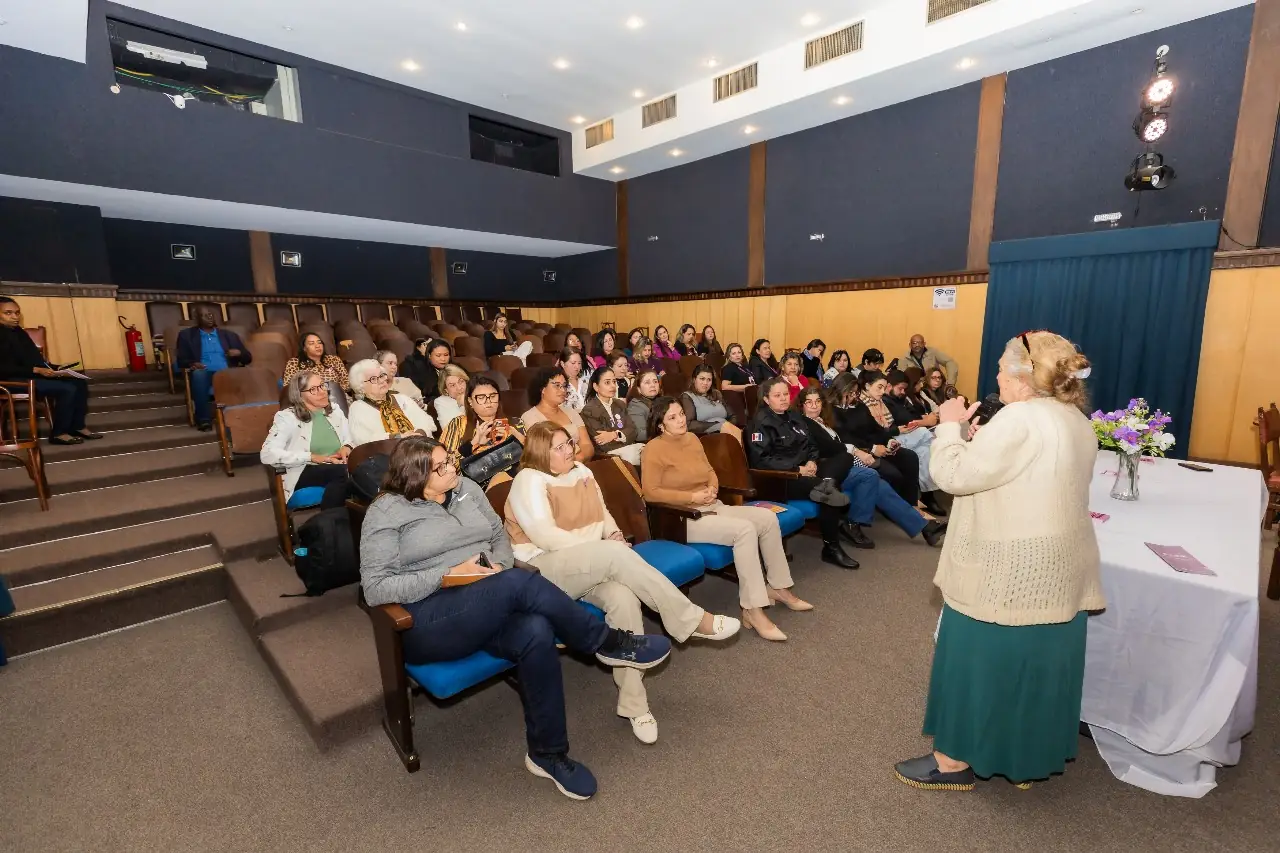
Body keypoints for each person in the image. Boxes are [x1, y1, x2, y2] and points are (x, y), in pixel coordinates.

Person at [359, 436, 673, 800]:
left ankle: (547, 754)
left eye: (450, 460)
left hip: (488, 598)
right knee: (516, 584)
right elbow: (376, 589)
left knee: (536, 630)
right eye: (441, 467)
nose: (453, 469)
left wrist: (494, 567)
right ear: (415, 477)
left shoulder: (466, 489)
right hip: (428, 619)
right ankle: (605, 641)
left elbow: (500, 539)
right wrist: (446, 576)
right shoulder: (387, 511)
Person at [894, 331, 1102, 792]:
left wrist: (949, 426)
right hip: (1058, 568)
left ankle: (951, 762)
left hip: (1009, 570)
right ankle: (1022, 758)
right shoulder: (1075, 419)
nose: (996, 377)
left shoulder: (1018, 418)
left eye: (1001, 369)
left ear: (1024, 377)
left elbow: (951, 475)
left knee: (980, 663)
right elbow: (1024, 473)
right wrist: (980, 442)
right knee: (1033, 667)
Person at [507, 422, 739, 744]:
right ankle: (690, 619)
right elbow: (546, 538)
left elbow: (602, 514)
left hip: (587, 564)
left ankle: (634, 705)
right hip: (542, 571)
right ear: (539, 453)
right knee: (615, 556)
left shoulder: (582, 471)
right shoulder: (528, 479)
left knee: (623, 598)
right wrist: (604, 548)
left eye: (568, 443)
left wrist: (613, 534)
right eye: (558, 447)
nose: (568, 450)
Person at [643, 396, 808, 642]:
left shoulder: (692, 439)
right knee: (745, 530)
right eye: (672, 417)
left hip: (712, 505)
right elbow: (650, 493)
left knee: (766, 518)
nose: (681, 420)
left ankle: (778, 587)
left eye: (681, 414)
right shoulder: (653, 449)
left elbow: (710, 471)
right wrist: (691, 497)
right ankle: (752, 609)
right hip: (683, 518)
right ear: (660, 424)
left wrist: (712, 488)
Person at [797, 386, 946, 549]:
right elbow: (829, 447)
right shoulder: (804, 423)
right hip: (828, 471)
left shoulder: (822, 421)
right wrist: (855, 450)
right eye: (809, 402)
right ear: (801, 405)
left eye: (818, 401)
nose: (814, 406)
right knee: (871, 476)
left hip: (841, 465)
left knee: (880, 485)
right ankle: (853, 524)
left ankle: (925, 528)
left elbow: (841, 442)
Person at [746, 378, 859, 569]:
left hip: (807, 468)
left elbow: (811, 445)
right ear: (766, 399)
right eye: (777, 395)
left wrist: (812, 461)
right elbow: (762, 460)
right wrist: (798, 469)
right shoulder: (760, 423)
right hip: (781, 478)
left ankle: (828, 482)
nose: (783, 398)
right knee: (829, 492)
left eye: (785, 394)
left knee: (844, 457)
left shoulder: (794, 416)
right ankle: (831, 548)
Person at [0, 296, 101, 445]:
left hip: (29, 375)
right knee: (67, 389)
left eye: (17, 312)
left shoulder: (18, 332)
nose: (15, 317)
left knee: (78, 382)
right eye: (8, 313)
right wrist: (36, 370)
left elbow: (34, 359)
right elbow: (4, 368)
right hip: (9, 381)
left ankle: (77, 426)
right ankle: (59, 433)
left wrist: (55, 368)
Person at [260, 371, 353, 508]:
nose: (322, 392)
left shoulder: (334, 410)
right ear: (299, 395)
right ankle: (332, 518)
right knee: (343, 472)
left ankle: (339, 518)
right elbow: (267, 454)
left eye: (322, 385)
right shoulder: (287, 418)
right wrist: (311, 457)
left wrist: (347, 446)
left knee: (360, 469)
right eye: (313, 389)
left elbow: (350, 436)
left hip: (337, 464)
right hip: (304, 469)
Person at [830, 372, 922, 510]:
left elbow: (876, 428)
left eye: (855, 392)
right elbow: (845, 438)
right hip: (860, 451)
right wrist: (872, 448)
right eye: (850, 393)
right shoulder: (832, 410)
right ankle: (896, 508)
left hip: (875, 446)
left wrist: (889, 440)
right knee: (893, 474)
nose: (853, 396)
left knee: (910, 457)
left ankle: (911, 504)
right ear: (840, 390)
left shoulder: (859, 406)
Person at [869, 369, 946, 516]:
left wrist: (921, 420)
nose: (903, 392)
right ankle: (928, 494)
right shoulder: (884, 400)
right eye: (900, 389)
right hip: (894, 437)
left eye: (905, 389)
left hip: (906, 435)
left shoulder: (902, 399)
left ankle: (927, 496)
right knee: (925, 435)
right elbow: (903, 420)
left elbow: (913, 415)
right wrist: (923, 421)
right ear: (889, 386)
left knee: (925, 451)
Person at [175, 306, 253, 431]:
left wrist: (239, 353)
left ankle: (245, 417)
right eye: (205, 315)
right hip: (205, 372)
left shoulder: (229, 335)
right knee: (199, 374)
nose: (209, 317)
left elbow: (248, 358)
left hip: (228, 372)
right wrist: (193, 363)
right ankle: (204, 420)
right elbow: (181, 360)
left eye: (211, 314)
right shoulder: (186, 336)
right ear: (197, 318)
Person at [347, 358, 437, 446]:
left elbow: (426, 421)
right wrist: (400, 438)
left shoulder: (402, 398)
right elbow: (364, 439)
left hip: (419, 446)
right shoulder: (358, 408)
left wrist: (418, 434)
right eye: (373, 379)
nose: (381, 381)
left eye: (381, 376)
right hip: (385, 453)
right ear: (361, 386)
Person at [440, 374, 524, 466]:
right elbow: (446, 466)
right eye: (481, 398)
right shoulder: (457, 424)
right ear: (470, 401)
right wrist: (473, 444)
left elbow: (533, 459)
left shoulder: (516, 422)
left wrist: (518, 438)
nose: (488, 401)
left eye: (493, 396)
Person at [519, 367, 594, 462]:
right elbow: (540, 454)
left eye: (564, 386)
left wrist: (579, 458)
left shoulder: (571, 412)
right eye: (557, 385)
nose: (563, 390)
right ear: (542, 389)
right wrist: (568, 462)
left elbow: (586, 444)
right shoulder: (529, 417)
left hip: (580, 463)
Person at [579, 366, 643, 465]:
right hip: (608, 457)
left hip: (629, 450)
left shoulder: (620, 404)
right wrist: (625, 436)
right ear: (596, 387)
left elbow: (633, 431)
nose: (613, 386)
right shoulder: (589, 410)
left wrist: (615, 434)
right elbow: (603, 444)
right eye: (607, 382)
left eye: (614, 381)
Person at [681, 364, 740, 441]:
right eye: (702, 379)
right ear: (694, 379)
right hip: (707, 436)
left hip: (728, 431)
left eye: (709, 380)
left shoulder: (716, 394)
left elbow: (733, 416)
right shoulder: (687, 396)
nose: (705, 383)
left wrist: (728, 427)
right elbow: (689, 424)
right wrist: (719, 426)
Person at [283, 333, 350, 393]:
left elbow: (346, 382)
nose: (317, 346)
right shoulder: (294, 363)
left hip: (336, 397)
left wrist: (333, 391)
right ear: (304, 348)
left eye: (319, 342)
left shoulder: (334, 360)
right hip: (308, 399)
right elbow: (288, 388)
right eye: (312, 343)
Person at [402, 338, 451, 406]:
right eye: (438, 355)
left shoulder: (456, 368)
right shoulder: (418, 370)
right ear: (429, 356)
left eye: (446, 355)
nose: (443, 359)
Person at [626, 368, 661, 441]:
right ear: (638, 388)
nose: (653, 385)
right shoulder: (635, 406)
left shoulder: (662, 400)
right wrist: (663, 429)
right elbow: (640, 435)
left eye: (655, 381)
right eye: (647, 382)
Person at [432, 364, 470, 428]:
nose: (459, 388)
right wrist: (463, 404)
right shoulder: (441, 402)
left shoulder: (475, 392)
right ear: (446, 390)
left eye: (461, 382)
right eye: (452, 385)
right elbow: (450, 429)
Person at [557, 347, 590, 411]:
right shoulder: (558, 385)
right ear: (563, 364)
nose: (577, 366)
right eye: (573, 363)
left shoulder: (586, 381)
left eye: (579, 363)